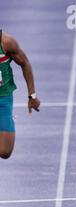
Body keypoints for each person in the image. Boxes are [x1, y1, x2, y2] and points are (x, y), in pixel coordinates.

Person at [0, 29, 40, 159]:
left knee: (5, 152)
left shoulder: (6, 42)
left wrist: (32, 95)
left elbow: (24, 63)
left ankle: (8, 120)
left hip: (3, 98)